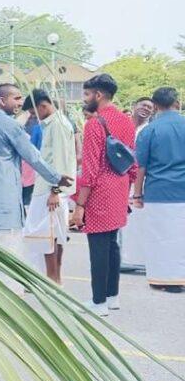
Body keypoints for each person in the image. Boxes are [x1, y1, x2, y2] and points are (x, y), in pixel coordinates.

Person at [0, 84, 72, 272]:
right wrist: (56, 178)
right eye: (17, 98)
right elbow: (33, 157)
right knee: (6, 264)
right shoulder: (11, 126)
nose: (21, 103)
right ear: (2, 100)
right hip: (3, 208)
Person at [71, 74, 138, 316]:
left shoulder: (94, 124)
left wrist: (80, 205)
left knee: (98, 247)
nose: (85, 99)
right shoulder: (127, 121)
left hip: (100, 191)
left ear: (98, 95)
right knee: (111, 244)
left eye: (87, 94)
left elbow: (90, 170)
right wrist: (127, 186)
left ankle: (98, 302)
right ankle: (112, 296)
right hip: (120, 186)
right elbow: (132, 160)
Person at [20, 90, 77, 284]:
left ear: (43, 106)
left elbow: (60, 161)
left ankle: (53, 279)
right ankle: (54, 279)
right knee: (54, 235)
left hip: (50, 190)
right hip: (49, 188)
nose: (33, 117)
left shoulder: (57, 125)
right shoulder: (55, 124)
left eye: (33, 112)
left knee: (48, 236)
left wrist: (55, 191)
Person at [134, 87, 185, 293]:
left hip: (158, 191)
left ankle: (161, 278)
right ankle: (180, 277)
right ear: (177, 103)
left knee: (158, 237)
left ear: (154, 106)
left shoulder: (149, 130)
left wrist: (137, 194)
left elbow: (141, 167)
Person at [120, 97, 155, 272]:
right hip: (121, 178)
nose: (146, 109)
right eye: (143, 105)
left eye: (150, 107)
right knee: (123, 221)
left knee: (139, 220)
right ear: (134, 106)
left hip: (140, 181)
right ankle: (124, 258)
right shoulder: (123, 126)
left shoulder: (149, 130)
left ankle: (140, 259)